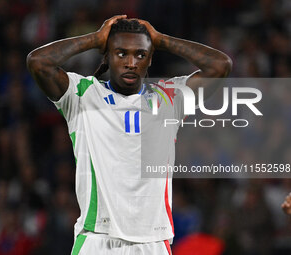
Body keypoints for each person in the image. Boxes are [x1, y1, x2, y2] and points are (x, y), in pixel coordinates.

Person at [27, 15, 232, 255]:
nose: (131, 62)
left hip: (153, 242)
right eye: (121, 53)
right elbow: (38, 62)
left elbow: (220, 66)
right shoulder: (82, 95)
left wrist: (161, 39)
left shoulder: (170, 98)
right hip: (97, 239)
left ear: (150, 59)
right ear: (107, 56)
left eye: (140, 54)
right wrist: (95, 39)